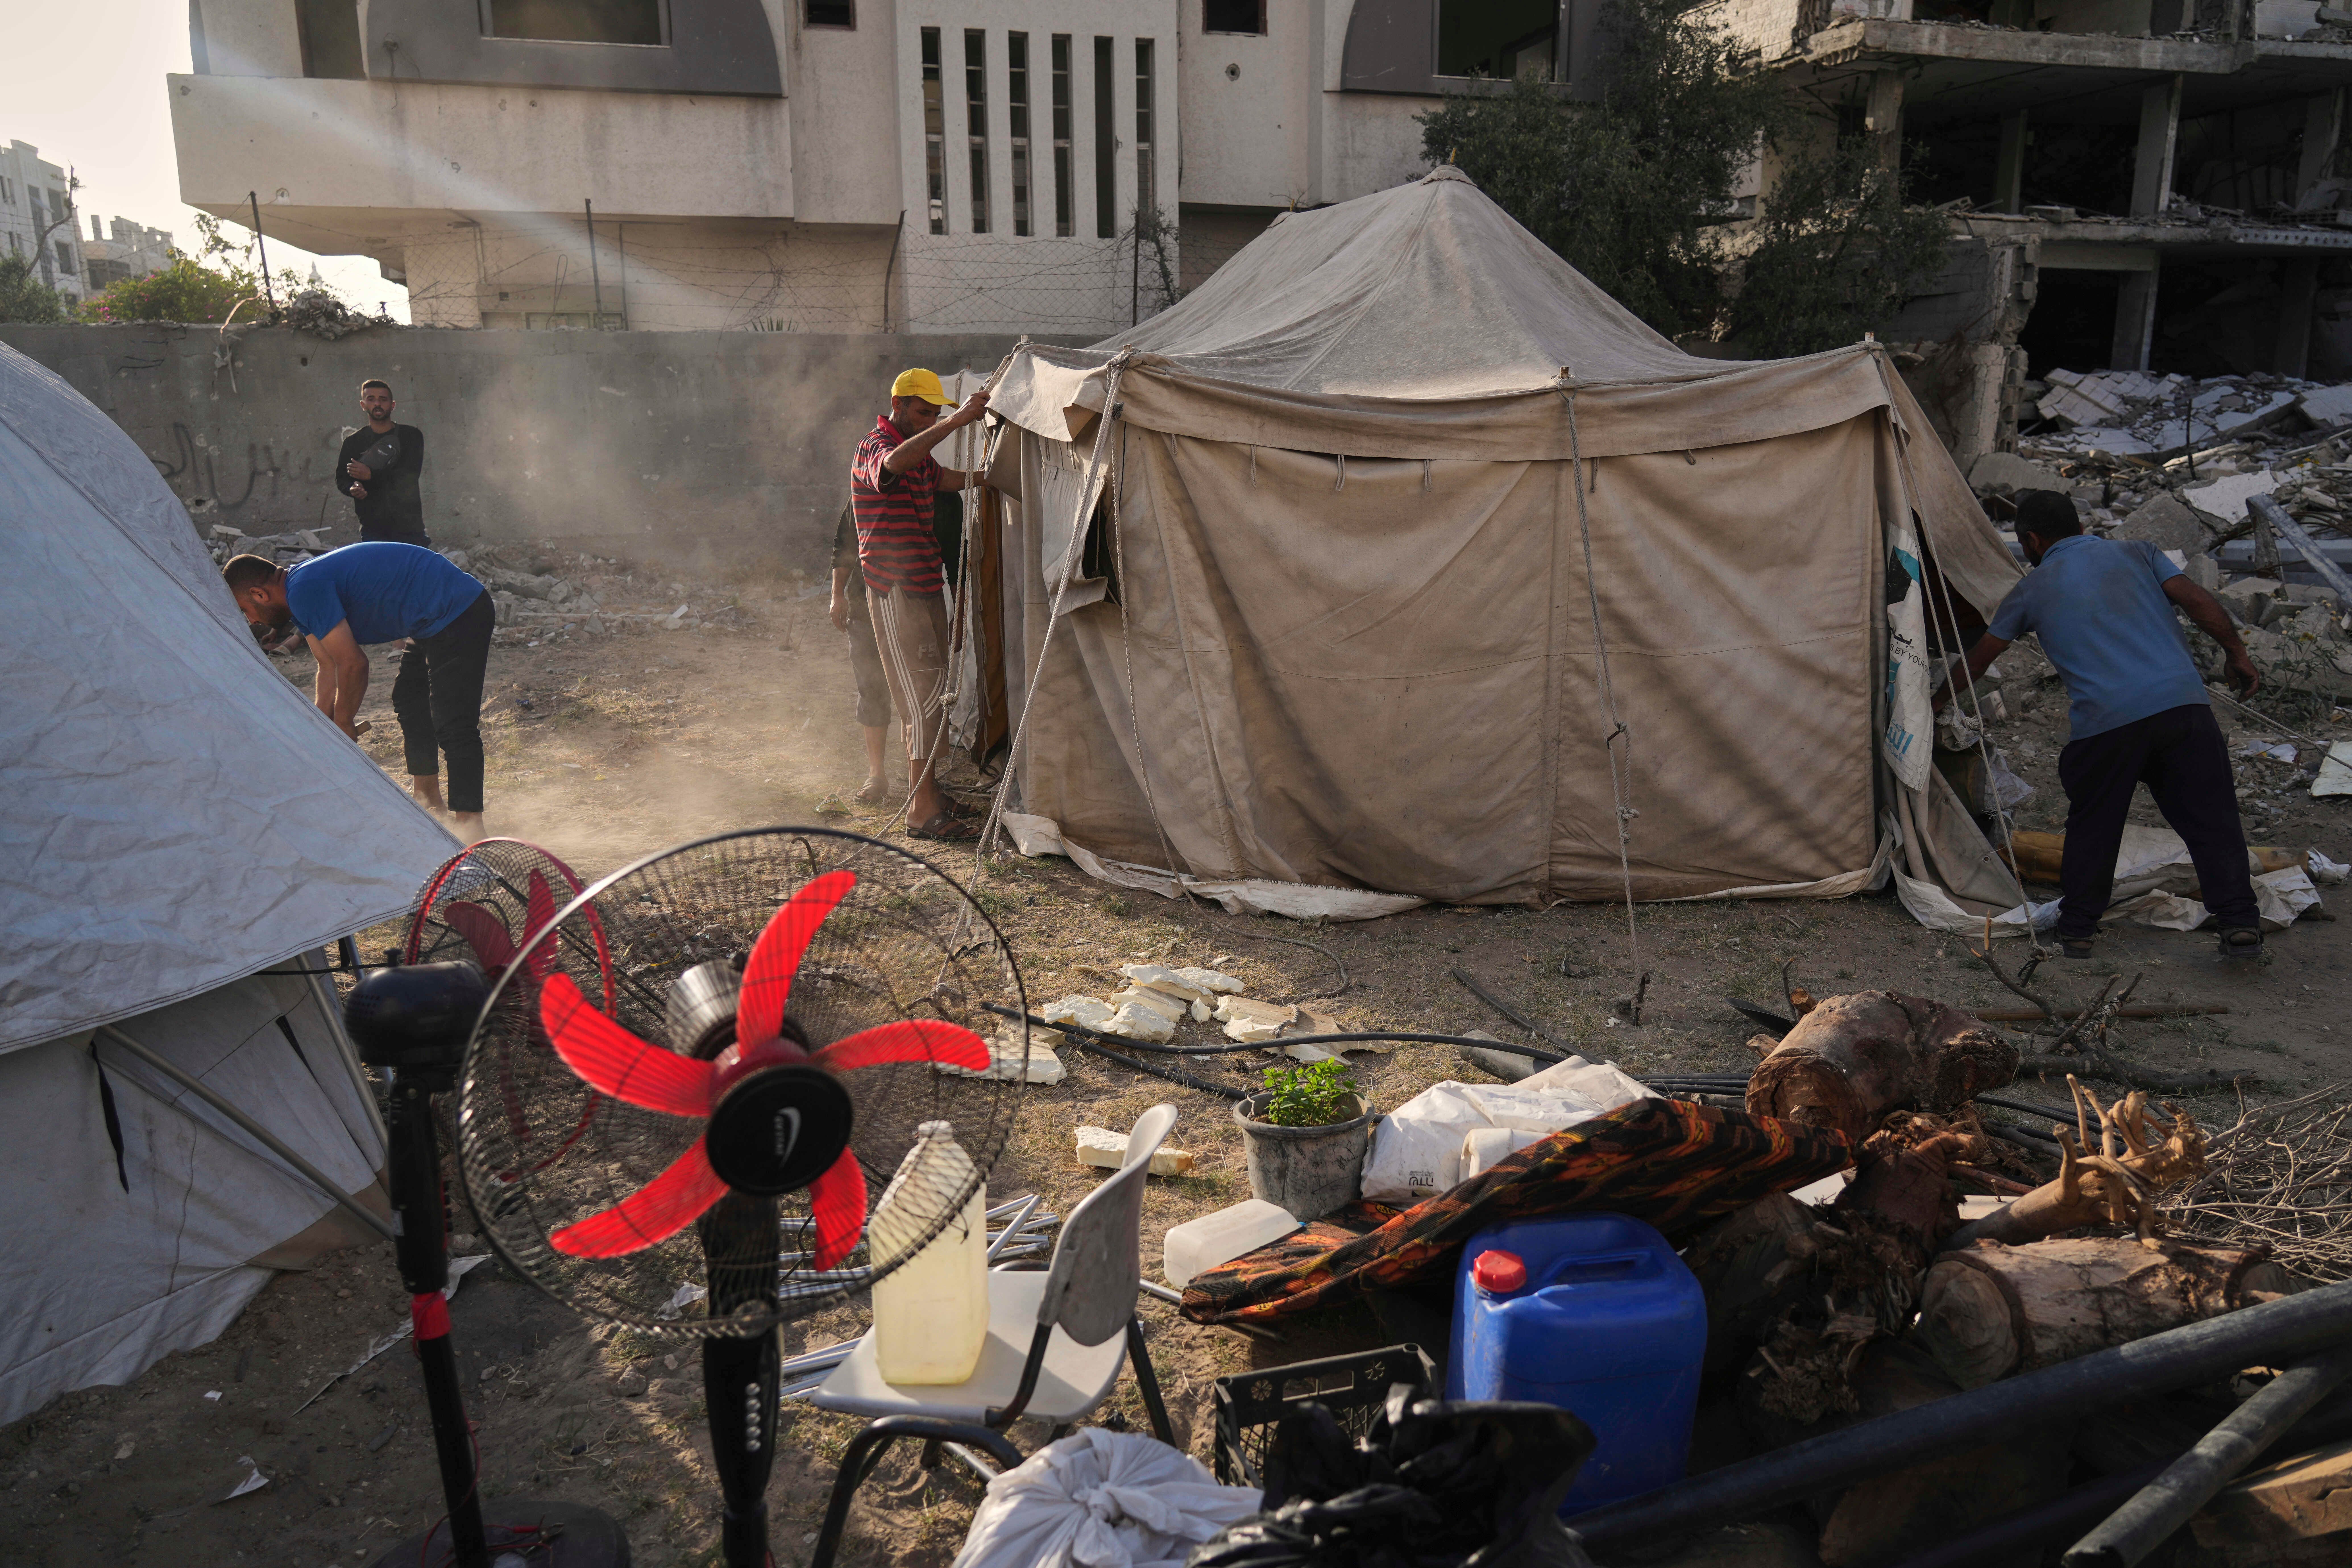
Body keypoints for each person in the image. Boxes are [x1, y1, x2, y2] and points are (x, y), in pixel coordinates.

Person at [1940, 490, 2265, 961]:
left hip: (2106, 724)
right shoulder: (2138, 553)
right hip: (2182, 708)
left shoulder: (2029, 589)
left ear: (2031, 541)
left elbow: (1979, 660)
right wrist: (2236, 653)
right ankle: (2238, 923)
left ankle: (2076, 931)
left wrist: (1932, 701)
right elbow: (2196, 600)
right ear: (2076, 525)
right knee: (2212, 820)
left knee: (2094, 826)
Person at [224, 542, 493, 838]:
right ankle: (429, 802)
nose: (252, 621)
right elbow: (328, 666)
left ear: (259, 595)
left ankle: (471, 828)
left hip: (459, 608)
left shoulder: (304, 589)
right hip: (429, 620)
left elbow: (354, 664)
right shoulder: (297, 596)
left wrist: (344, 722)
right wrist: (323, 726)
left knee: (453, 719)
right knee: (410, 702)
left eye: (246, 611)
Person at [849, 368, 990, 840]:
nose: (930, 418)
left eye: (936, 412)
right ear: (898, 405)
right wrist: (957, 422)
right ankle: (920, 814)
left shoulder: (918, 455)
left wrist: (991, 477)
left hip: (926, 585)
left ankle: (929, 794)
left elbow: (942, 478)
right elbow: (893, 467)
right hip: (895, 590)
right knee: (920, 702)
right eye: (923, 411)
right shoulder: (876, 446)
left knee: (934, 697)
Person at [829, 499, 895, 804]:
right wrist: (837, 595)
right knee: (872, 687)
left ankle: (924, 780)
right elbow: (845, 543)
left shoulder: (929, 486)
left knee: (919, 691)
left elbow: (952, 552)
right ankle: (877, 774)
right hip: (864, 604)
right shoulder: (865, 487)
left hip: (915, 601)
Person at [336, 379, 430, 546]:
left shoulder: (411, 436)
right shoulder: (353, 442)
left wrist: (370, 475)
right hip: (373, 529)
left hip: (410, 527)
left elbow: (410, 475)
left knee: (414, 572)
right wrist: (353, 488)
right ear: (363, 405)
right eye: (371, 399)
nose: (377, 404)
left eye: (383, 399)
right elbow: (342, 479)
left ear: (393, 405)